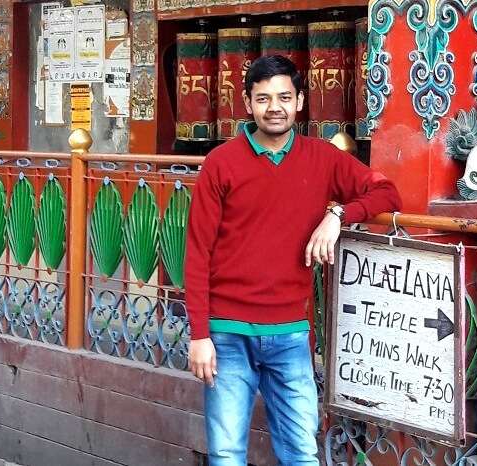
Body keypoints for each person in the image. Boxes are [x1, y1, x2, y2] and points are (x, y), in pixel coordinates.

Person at [185, 55, 402, 465]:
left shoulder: (322, 158)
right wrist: (199, 335)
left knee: (302, 453)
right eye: (263, 98)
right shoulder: (221, 164)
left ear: (300, 101)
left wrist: (337, 215)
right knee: (226, 453)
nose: (275, 107)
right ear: (247, 103)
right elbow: (197, 253)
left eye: (284, 97)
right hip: (227, 335)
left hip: (289, 335)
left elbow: (387, 193)